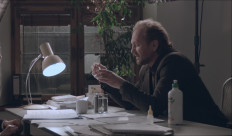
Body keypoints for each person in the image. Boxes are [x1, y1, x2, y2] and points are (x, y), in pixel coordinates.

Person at [92, 19, 228, 127]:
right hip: (183, 128)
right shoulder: (147, 68)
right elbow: (131, 103)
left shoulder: (174, 62)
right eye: (132, 45)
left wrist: (120, 82)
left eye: (137, 45)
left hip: (209, 128)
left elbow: (155, 107)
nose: (132, 51)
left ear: (154, 45)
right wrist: (107, 81)